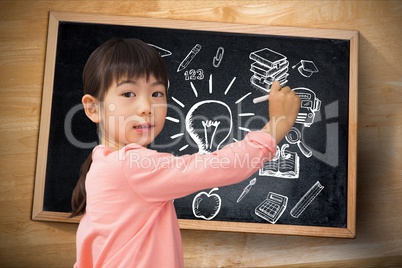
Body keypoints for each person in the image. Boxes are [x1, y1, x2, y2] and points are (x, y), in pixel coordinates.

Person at [70, 38, 300, 267]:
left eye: (157, 94)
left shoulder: (102, 164)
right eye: (128, 94)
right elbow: (225, 165)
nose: (146, 107)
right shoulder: (130, 165)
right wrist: (278, 124)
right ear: (93, 108)